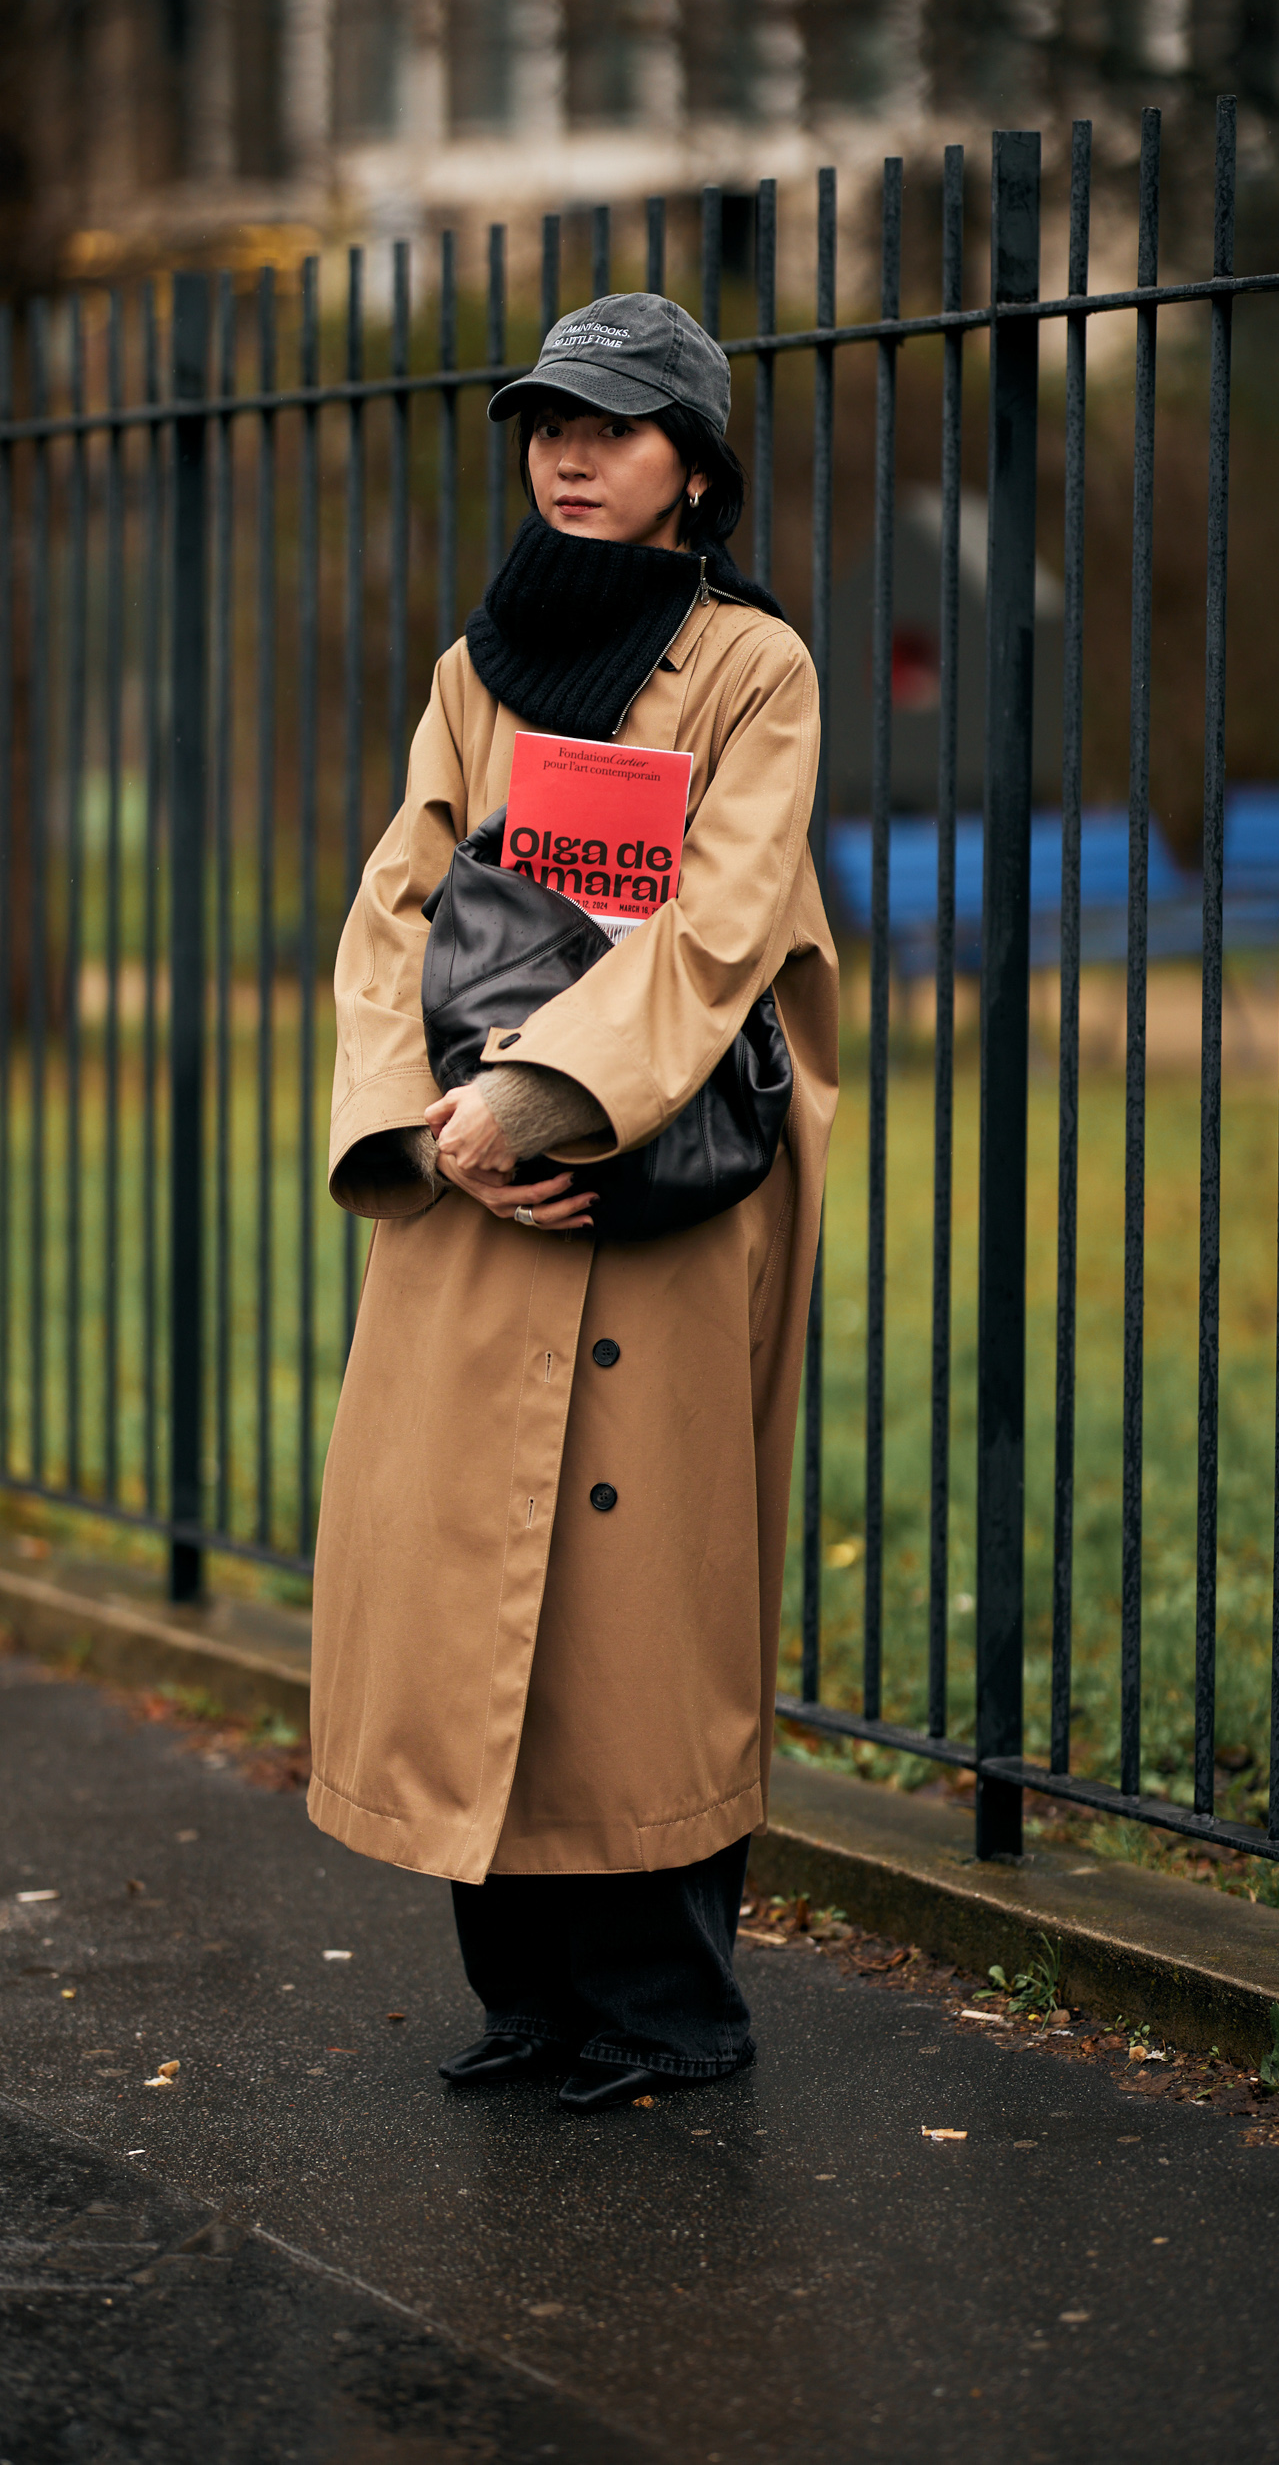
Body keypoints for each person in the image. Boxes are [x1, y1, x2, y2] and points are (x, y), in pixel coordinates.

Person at [308, 291, 838, 2112]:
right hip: (469, 1184)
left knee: (634, 1595)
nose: (571, 452)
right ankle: (527, 1992)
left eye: (614, 426)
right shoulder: (480, 664)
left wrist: (549, 1105)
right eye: (547, 422)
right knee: (471, 1579)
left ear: (695, 466)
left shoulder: (753, 665)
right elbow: (397, 903)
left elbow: (725, 919)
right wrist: (422, 1128)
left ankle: (669, 2011)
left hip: (660, 1178)